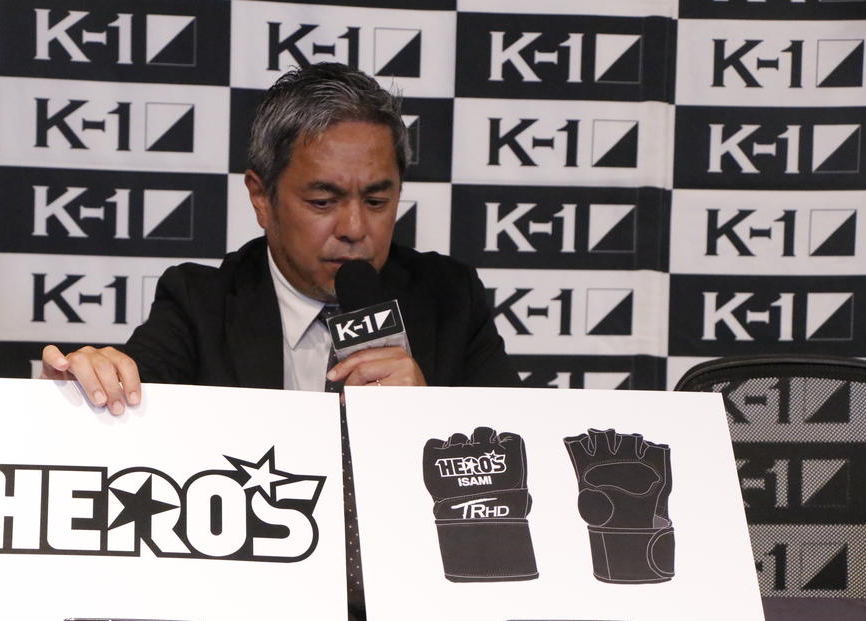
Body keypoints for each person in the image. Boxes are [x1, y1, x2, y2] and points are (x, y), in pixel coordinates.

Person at [40, 62, 518, 409]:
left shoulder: (450, 299)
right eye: (323, 202)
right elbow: (129, 400)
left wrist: (430, 416)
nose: (354, 230)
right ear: (261, 198)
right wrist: (88, 390)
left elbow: (522, 447)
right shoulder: (198, 304)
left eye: (377, 201)